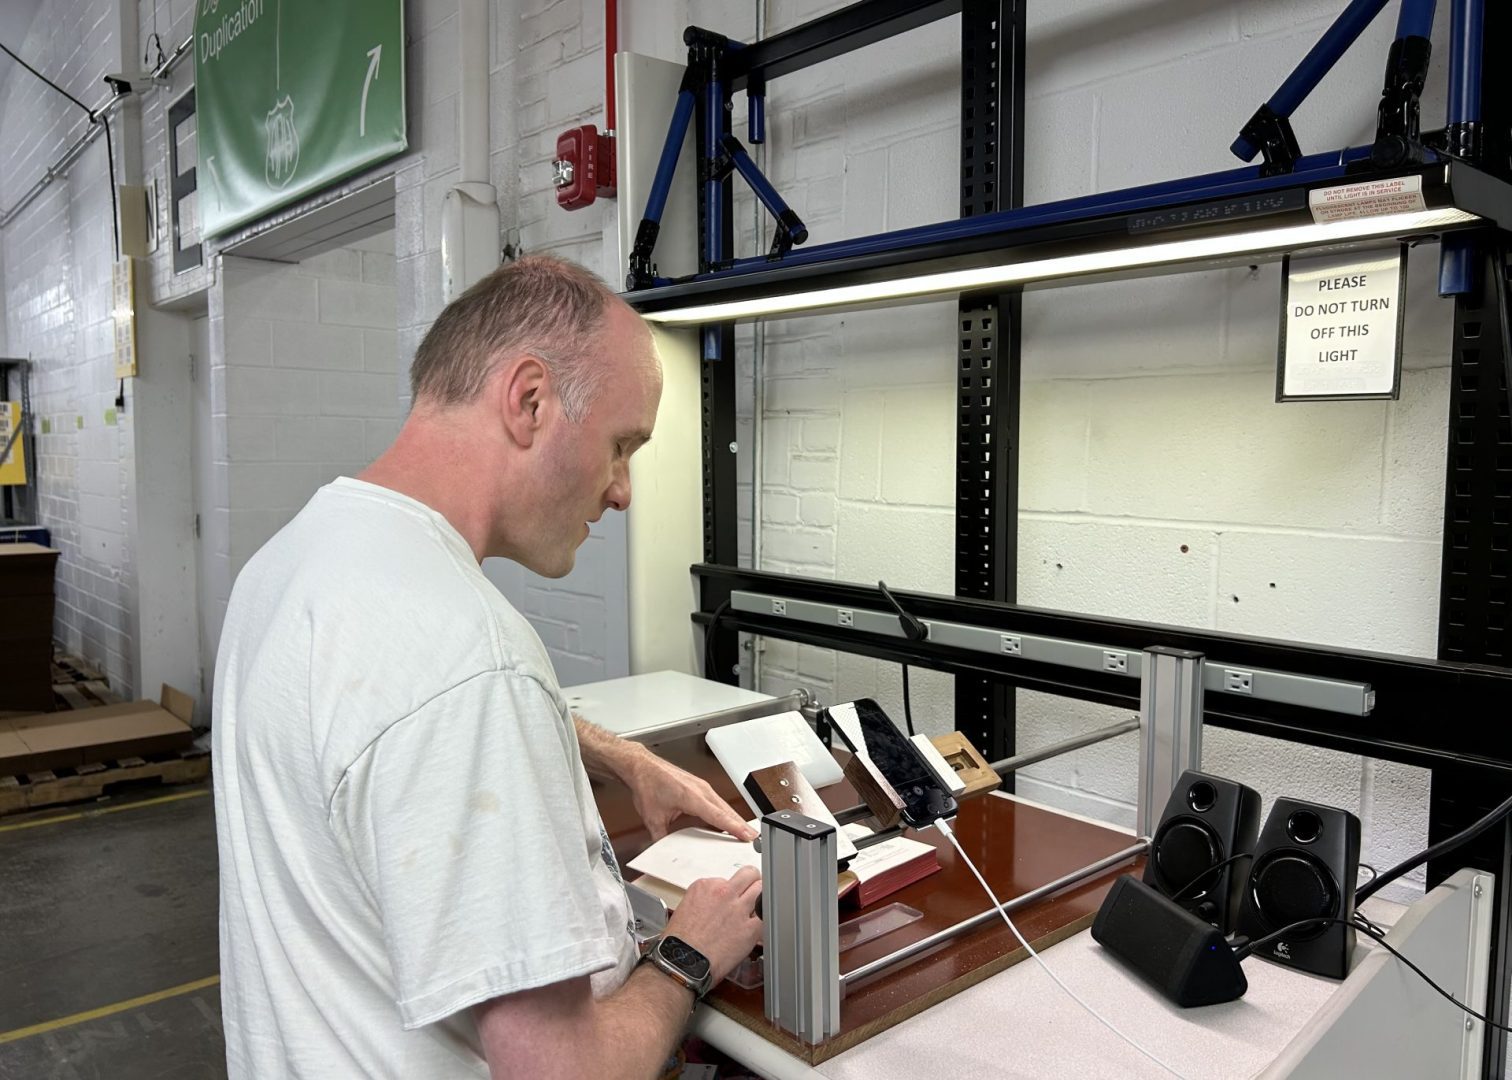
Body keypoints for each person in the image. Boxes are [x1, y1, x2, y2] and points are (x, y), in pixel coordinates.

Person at [212, 255, 764, 1078]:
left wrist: (621, 756)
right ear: (529, 400)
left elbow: (381, 721)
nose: (623, 492)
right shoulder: (468, 654)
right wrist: (688, 955)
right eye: (622, 446)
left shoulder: (295, 560)